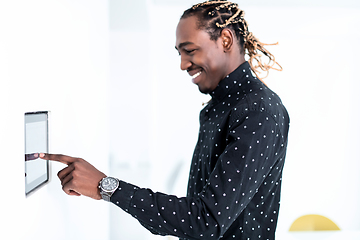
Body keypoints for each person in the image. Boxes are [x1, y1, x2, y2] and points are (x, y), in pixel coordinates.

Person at [40, 1, 290, 239]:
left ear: (225, 39)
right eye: (180, 53)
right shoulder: (221, 106)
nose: (183, 64)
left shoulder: (257, 110)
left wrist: (107, 187)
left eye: (190, 51)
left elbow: (207, 221)